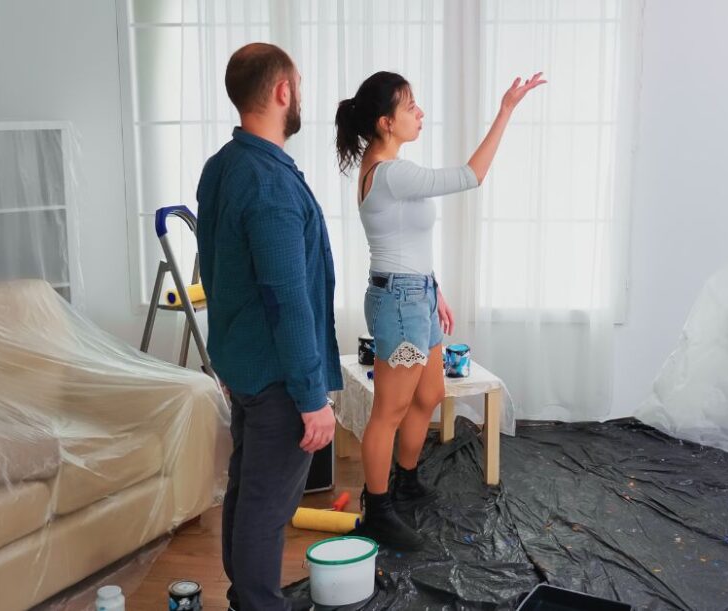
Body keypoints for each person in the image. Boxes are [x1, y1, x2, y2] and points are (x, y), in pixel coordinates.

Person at [334, 70, 545, 550]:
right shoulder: (391, 172)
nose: (420, 113)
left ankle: (405, 482)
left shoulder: (383, 165)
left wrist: (436, 291)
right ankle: (378, 508)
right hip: (400, 303)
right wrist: (506, 109)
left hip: (417, 295)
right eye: (410, 106)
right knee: (389, 411)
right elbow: (472, 176)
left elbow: (404, 239)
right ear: (386, 122)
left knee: (428, 395)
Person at [197, 42, 341, 610]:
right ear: (283, 91)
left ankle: (244, 596)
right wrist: (311, 396)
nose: (300, 94)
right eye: (298, 84)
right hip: (280, 378)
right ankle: (257, 602)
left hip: (245, 366)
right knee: (267, 504)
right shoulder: (270, 183)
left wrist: (227, 360)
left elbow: (220, 269)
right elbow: (287, 299)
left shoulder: (223, 166)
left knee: (248, 487)